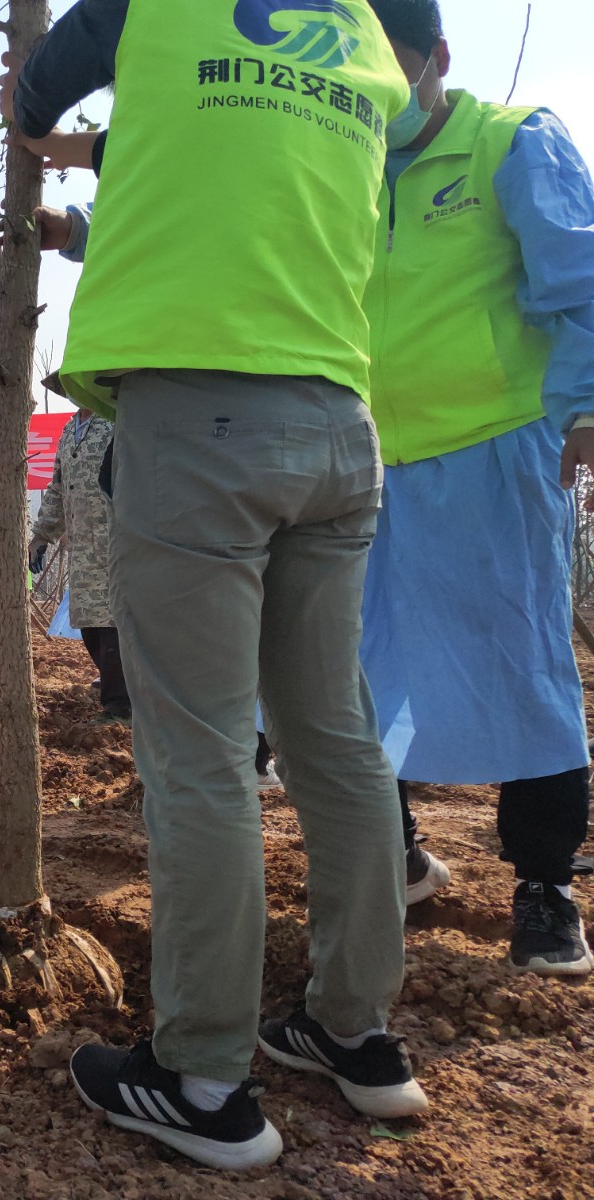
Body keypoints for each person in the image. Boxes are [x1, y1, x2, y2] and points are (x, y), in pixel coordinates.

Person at [3, 0, 425, 1169]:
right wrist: (110, 151)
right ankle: (357, 1033)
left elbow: (37, 95)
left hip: (201, 419)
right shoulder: (361, 41)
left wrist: (38, 130)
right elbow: (237, 154)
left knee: (198, 754)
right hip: (337, 426)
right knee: (333, 738)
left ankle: (200, 1077)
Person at [353, 0, 594, 974]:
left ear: (439, 59)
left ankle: (544, 887)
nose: (382, 95)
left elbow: (580, 276)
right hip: (367, 461)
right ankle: (395, 854)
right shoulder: (347, 165)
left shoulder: (512, 141)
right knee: (360, 669)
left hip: (494, 450)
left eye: (396, 68)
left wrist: (585, 407)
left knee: (522, 659)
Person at [29, 396, 127, 722]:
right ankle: (117, 680)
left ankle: (121, 703)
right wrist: (41, 536)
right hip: (82, 547)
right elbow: (58, 488)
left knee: (112, 623)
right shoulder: (70, 430)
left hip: (117, 542)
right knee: (89, 624)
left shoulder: (116, 422)